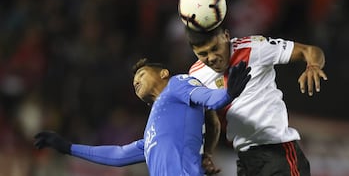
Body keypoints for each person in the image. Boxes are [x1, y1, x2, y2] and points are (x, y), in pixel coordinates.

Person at [34, 58, 251, 176]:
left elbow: (208, 98)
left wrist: (228, 93)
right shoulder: (151, 129)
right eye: (134, 81)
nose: (136, 81)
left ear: (163, 73)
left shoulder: (177, 84)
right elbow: (118, 155)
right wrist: (69, 148)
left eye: (141, 74)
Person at [185, 25, 328, 176]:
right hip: (246, 160)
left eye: (215, 48)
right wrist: (206, 154)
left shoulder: (255, 48)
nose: (212, 57)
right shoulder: (196, 75)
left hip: (278, 153)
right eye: (203, 54)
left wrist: (313, 65)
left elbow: (310, 51)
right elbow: (209, 119)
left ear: (226, 36)